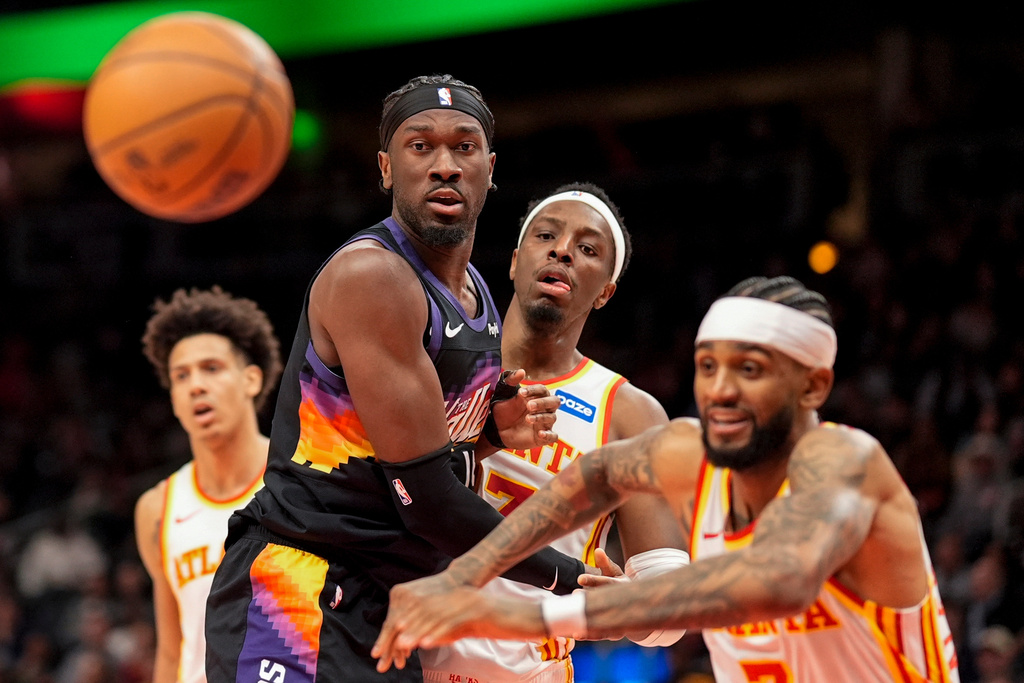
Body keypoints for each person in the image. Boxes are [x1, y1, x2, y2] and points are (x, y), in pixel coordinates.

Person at [374, 275, 963, 683]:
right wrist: (465, 577)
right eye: (709, 367)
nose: (720, 390)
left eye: (750, 370)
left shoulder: (846, 466)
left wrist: (528, 615)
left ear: (811, 387)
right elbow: (596, 477)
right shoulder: (686, 449)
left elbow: (783, 578)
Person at [205, 74, 594, 683]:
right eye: (421, 146)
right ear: (386, 168)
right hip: (302, 582)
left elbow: (401, 450)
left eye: (464, 147)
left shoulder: (477, 293)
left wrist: (487, 432)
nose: (445, 165)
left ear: (490, 169)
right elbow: (427, 499)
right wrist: (568, 577)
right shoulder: (373, 277)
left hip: (386, 599)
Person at [420, 182, 688, 683]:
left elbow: (668, 608)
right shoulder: (433, 359)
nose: (562, 250)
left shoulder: (630, 413)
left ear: (606, 291)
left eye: (587, 249)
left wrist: (633, 609)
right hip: (399, 660)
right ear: (516, 261)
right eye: (547, 236)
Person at [134, 286, 284, 683]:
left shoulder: (300, 478)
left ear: (251, 379)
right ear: (173, 399)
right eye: (181, 376)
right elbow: (172, 650)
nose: (195, 385)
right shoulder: (157, 508)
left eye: (212, 368)